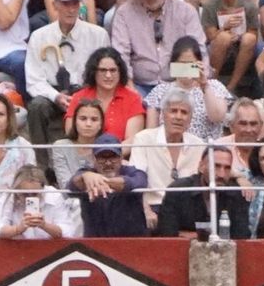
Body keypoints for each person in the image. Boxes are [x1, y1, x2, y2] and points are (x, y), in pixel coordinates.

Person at [26, 0, 111, 162]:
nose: (71, 9)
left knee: (96, 104)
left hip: (86, 91)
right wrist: (55, 96)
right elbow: (33, 79)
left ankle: (96, 159)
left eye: (75, 3)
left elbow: (104, 72)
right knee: (36, 107)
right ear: (55, 4)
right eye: (65, 3)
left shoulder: (98, 34)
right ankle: (42, 165)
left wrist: (82, 95)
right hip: (53, 92)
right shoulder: (39, 36)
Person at [111, 0, 200, 95]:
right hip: (139, 84)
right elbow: (120, 53)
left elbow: (197, 49)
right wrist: (129, 85)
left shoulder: (186, 12)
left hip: (178, 82)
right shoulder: (124, 13)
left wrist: (187, 84)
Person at [129, 85, 203, 224]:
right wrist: (145, 210)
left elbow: (214, 168)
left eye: (184, 112)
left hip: (187, 209)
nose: (179, 117)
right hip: (154, 206)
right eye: (173, 111)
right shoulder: (143, 139)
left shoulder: (198, 144)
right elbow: (136, 180)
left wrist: (240, 178)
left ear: (190, 118)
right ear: (163, 114)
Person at [157, 144, 252, 239]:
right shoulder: (178, 190)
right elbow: (167, 234)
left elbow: (241, 237)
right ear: (201, 166)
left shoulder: (236, 193)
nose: (221, 174)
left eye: (227, 168)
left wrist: (198, 236)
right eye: (216, 166)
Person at [144, 37, 230, 139]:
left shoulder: (215, 87)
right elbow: (150, 133)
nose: (185, 68)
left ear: (199, 63)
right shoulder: (159, 91)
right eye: (181, 64)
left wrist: (205, 86)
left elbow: (217, 117)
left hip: (208, 151)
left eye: (190, 64)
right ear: (172, 64)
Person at [69, 134, 151, 235]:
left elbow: (139, 183)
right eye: (102, 158)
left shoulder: (134, 172)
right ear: (93, 159)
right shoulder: (85, 173)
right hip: (95, 242)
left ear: (121, 157)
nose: (108, 163)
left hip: (131, 242)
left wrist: (101, 181)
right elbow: (71, 186)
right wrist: (86, 176)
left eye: (113, 157)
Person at [201, 0, 261, 96]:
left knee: (249, 38)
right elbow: (211, 36)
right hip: (217, 46)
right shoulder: (210, 6)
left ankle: (232, 86)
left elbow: (253, 33)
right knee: (224, 37)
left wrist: (240, 35)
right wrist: (224, 28)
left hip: (241, 47)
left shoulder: (249, 6)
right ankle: (212, 83)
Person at [66, 46, 147, 141]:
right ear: (93, 72)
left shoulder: (133, 99)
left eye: (113, 70)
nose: (108, 76)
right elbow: (71, 135)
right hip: (82, 153)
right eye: (103, 70)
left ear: (120, 72)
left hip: (120, 154)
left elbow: (132, 141)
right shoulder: (79, 97)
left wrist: (108, 154)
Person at [0, 163, 81, 238]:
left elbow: (68, 232)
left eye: (35, 194)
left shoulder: (53, 195)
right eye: (25, 194)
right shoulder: (8, 197)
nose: (30, 197)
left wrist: (44, 225)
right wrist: (17, 229)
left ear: (43, 188)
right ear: (17, 190)